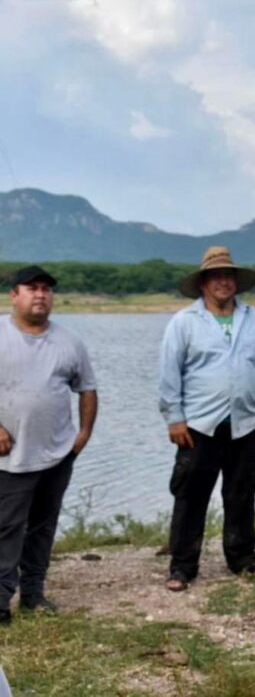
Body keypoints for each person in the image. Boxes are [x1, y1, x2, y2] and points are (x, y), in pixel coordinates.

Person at [158, 246, 255, 592]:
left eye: (229, 276)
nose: (223, 282)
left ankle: (242, 558)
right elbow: (170, 373)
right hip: (198, 425)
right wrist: (174, 418)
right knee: (190, 496)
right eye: (216, 276)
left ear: (236, 282)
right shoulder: (184, 322)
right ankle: (182, 566)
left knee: (241, 494)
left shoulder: (254, 319)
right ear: (203, 283)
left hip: (246, 423)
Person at [0, 266, 97, 624]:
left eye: (46, 290)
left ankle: (34, 595)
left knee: (42, 527)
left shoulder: (69, 341)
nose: (40, 295)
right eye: (32, 288)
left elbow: (87, 388)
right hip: (10, 459)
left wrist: (83, 435)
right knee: (6, 529)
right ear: (15, 295)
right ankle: (0, 602)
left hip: (57, 455)